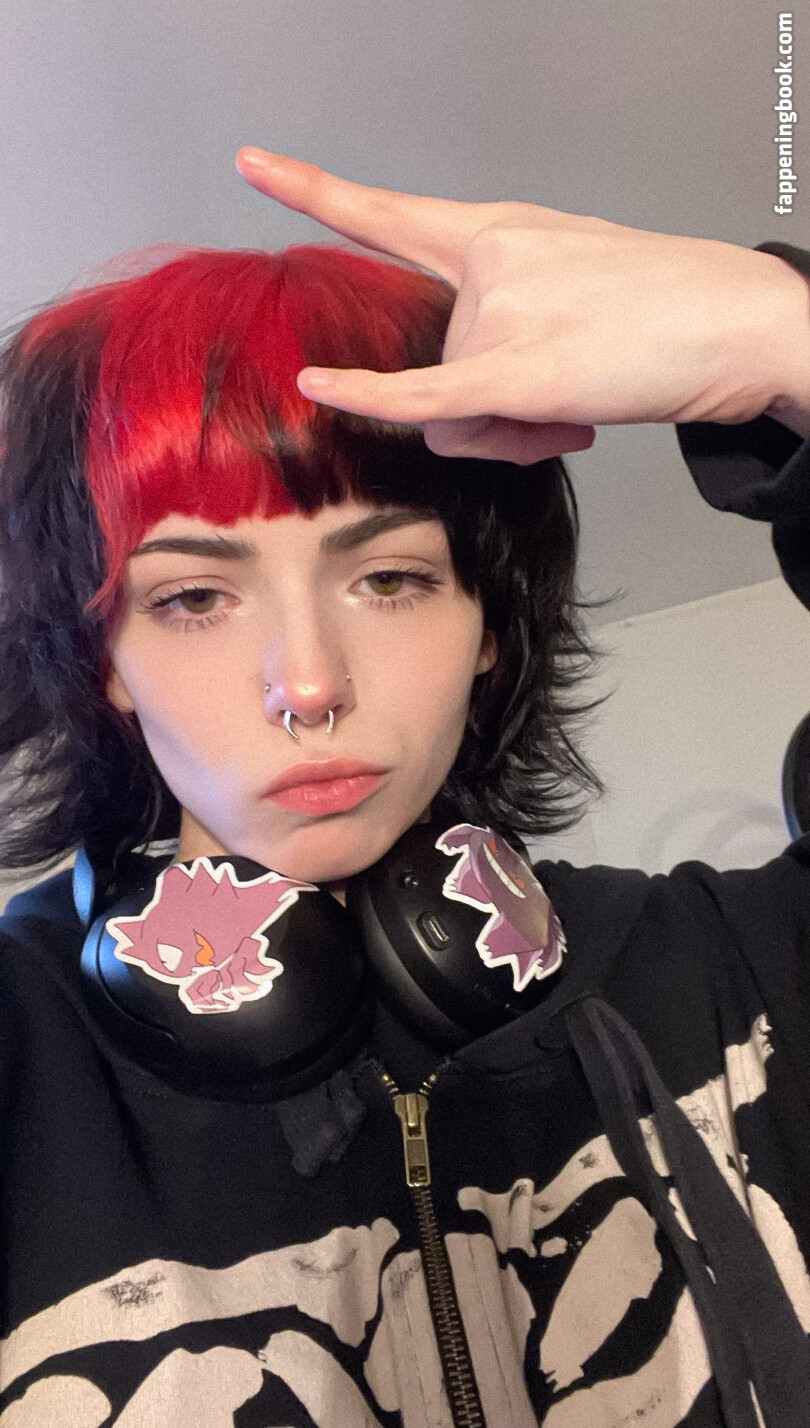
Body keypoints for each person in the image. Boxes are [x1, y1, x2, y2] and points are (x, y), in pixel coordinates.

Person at [0, 151, 807, 1427]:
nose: (309, 684)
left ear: (491, 619)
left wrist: (784, 335)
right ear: (105, 661)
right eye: (194, 597)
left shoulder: (732, 963)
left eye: (390, 579)